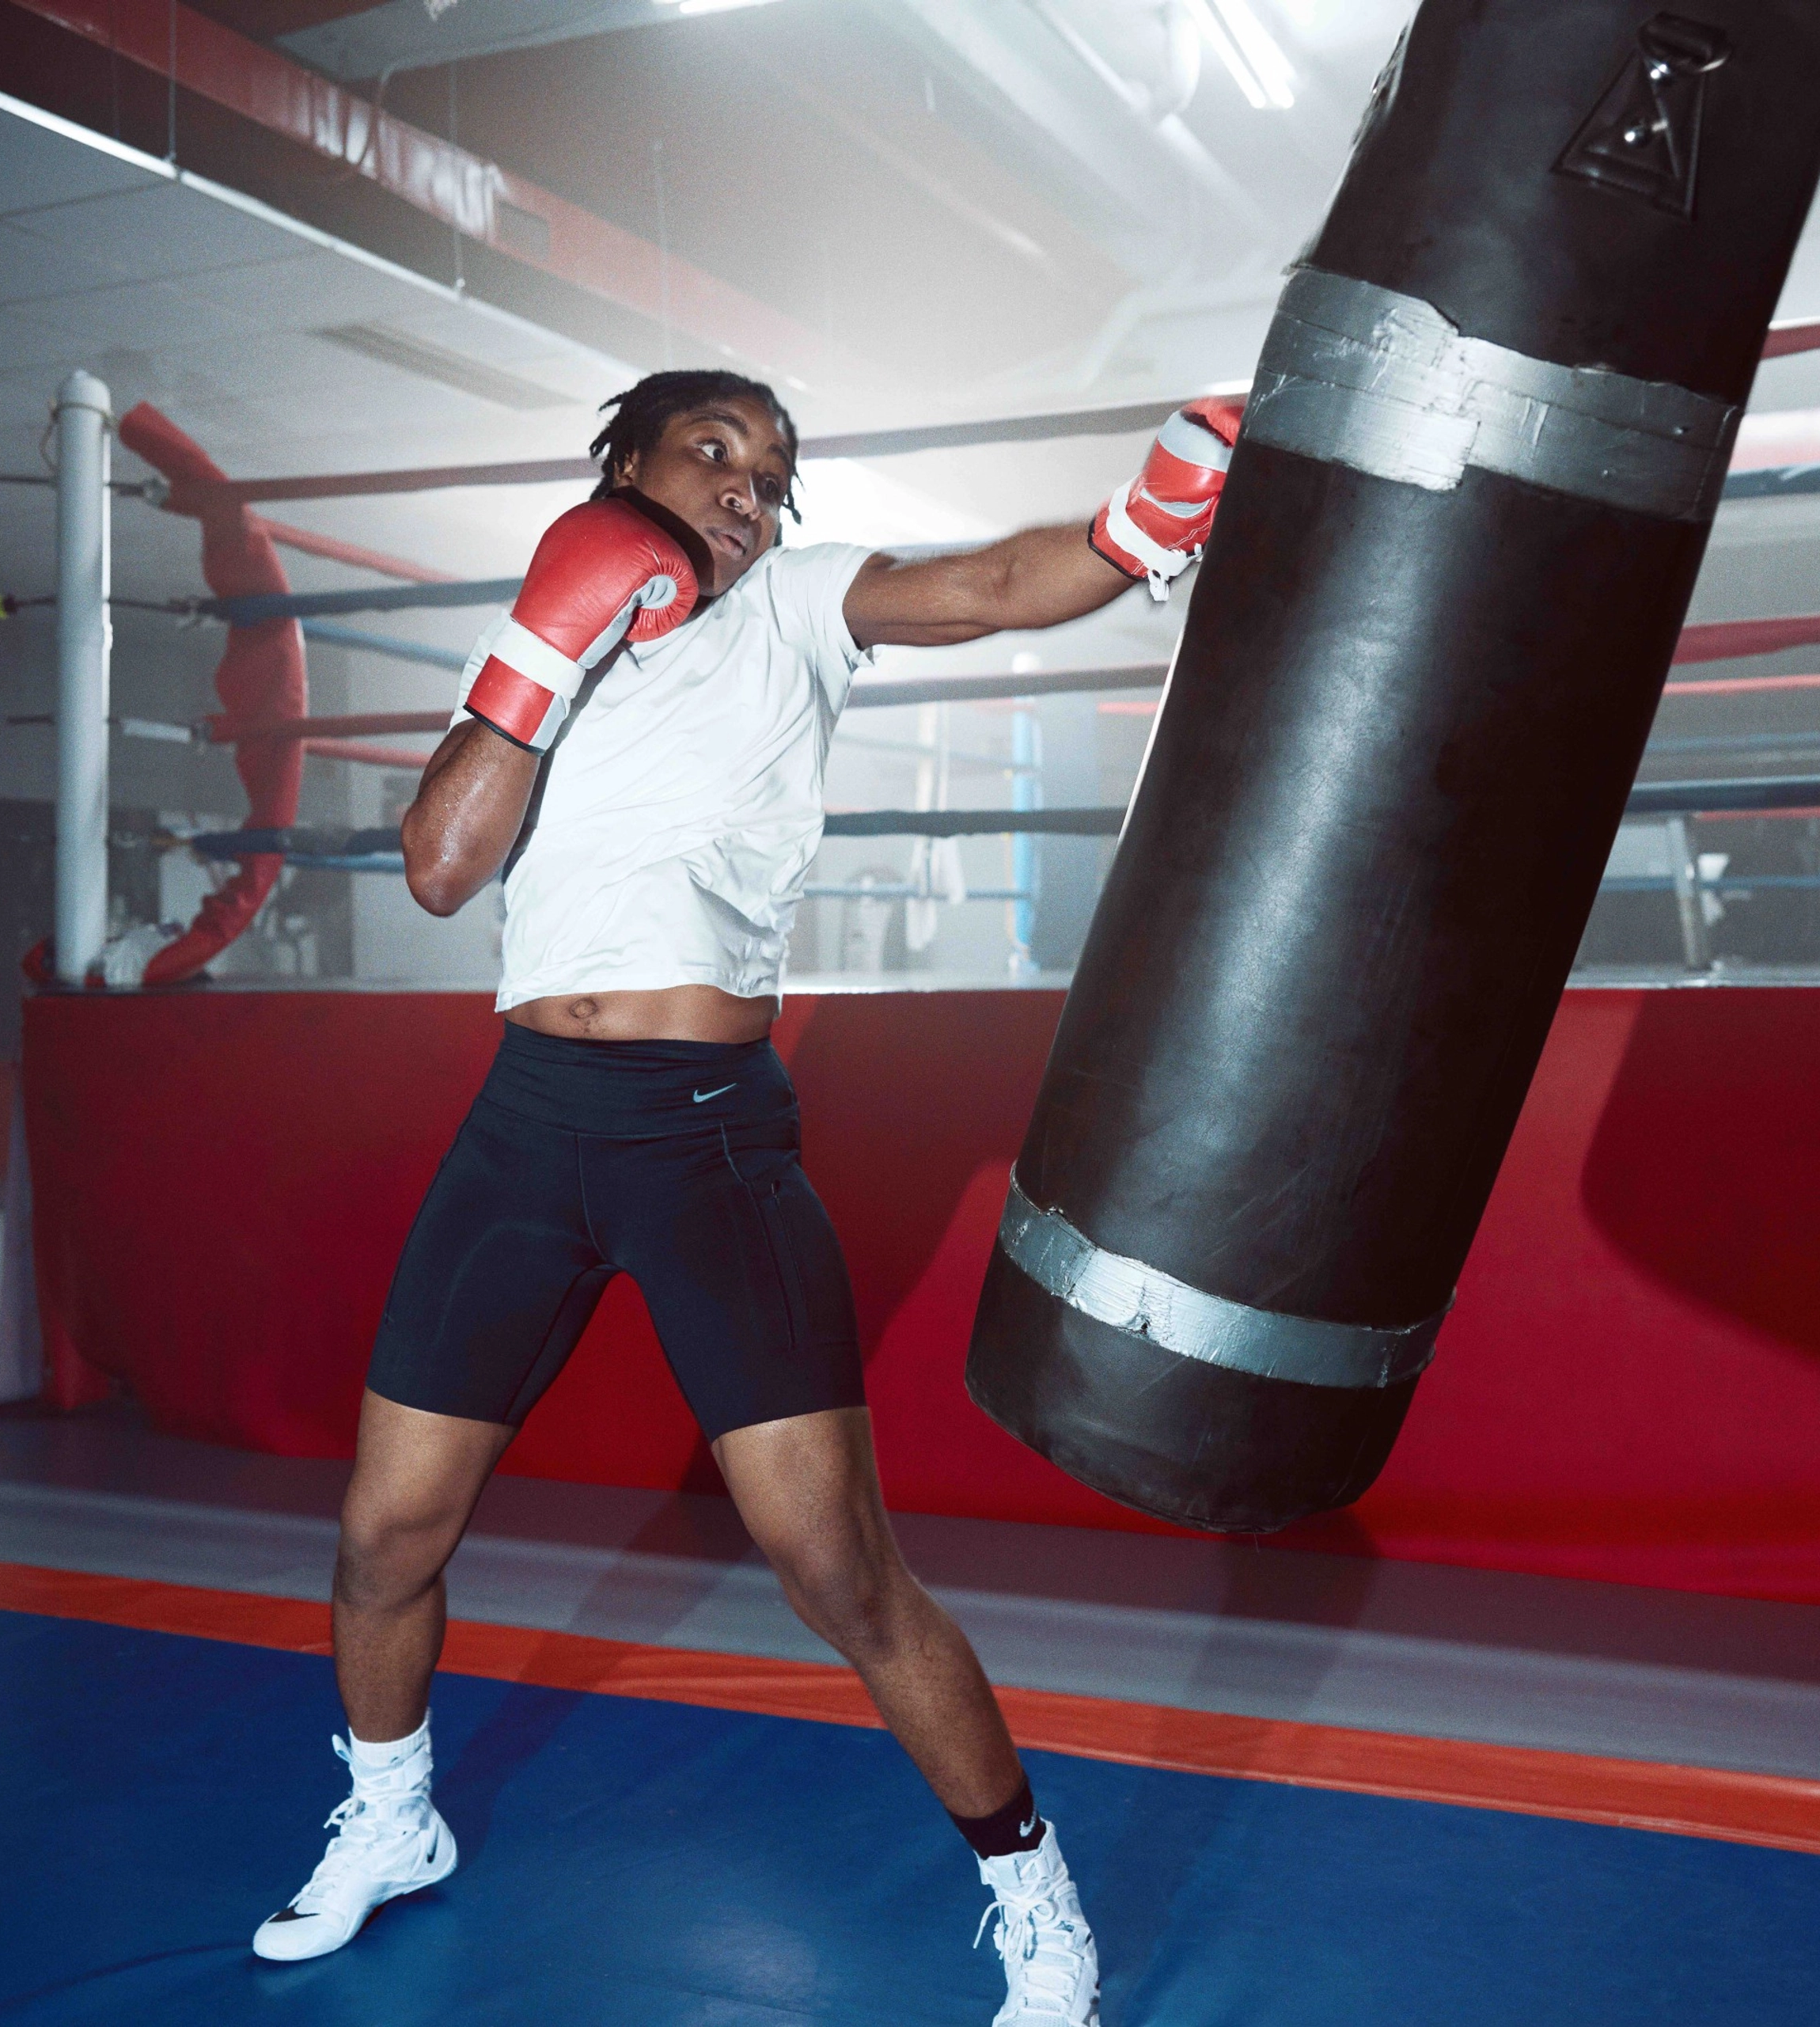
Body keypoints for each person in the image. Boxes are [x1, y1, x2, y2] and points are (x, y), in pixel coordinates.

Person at [250, 368, 1242, 2025]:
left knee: (836, 1567)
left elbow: (997, 583)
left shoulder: (795, 605)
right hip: (526, 1129)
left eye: (771, 472)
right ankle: (393, 1815)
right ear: (624, 466)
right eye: (711, 451)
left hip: (704, 1137)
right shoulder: (559, 620)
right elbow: (438, 866)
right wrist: (546, 639)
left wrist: (1145, 525)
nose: (746, 488)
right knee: (384, 1532)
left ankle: (1033, 1893)